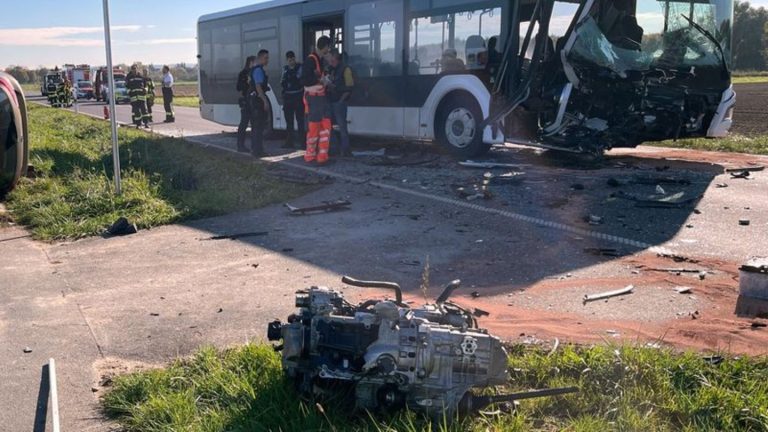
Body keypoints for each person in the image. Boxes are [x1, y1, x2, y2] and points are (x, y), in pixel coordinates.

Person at [301, 36, 333, 164]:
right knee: (316, 127)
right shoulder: (311, 60)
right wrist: (320, 80)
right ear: (324, 47)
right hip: (315, 99)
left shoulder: (318, 60)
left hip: (319, 99)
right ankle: (312, 156)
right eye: (328, 47)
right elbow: (304, 80)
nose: (329, 49)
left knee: (325, 126)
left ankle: (321, 156)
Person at [327, 50, 354, 157]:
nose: (327, 59)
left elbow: (349, 87)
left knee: (342, 127)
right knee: (329, 127)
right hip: (331, 101)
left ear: (334, 57)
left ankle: (346, 151)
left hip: (339, 102)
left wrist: (341, 101)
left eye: (329, 56)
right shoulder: (330, 69)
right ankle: (335, 149)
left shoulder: (345, 69)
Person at [280, 51, 305, 149]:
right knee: (289, 122)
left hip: (298, 97)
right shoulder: (285, 69)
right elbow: (282, 82)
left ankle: (303, 142)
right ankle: (289, 142)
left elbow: (300, 80)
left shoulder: (299, 67)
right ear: (287, 60)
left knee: (300, 121)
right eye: (290, 60)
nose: (291, 62)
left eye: (293, 59)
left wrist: (291, 80)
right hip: (288, 98)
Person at [248, 49, 270, 157]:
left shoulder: (253, 69)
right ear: (260, 58)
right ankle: (258, 151)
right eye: (266, 58)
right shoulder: (258, 70)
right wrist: (265, 101)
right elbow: (258, 87)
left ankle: (255, 150)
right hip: (258, 101)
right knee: (259, 127)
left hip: (254, 100)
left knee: (256, 127)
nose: (267, 60)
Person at [236, 56, 257, 153]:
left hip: (254, 101)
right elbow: (238, 87)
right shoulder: (243, 73)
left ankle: (254, 146)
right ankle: (240, 145)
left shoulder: (255, 72)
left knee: (255, 125)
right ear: (251, 62)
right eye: (255, 62)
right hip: (246, 101)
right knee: (243, 124)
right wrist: (247, 83)